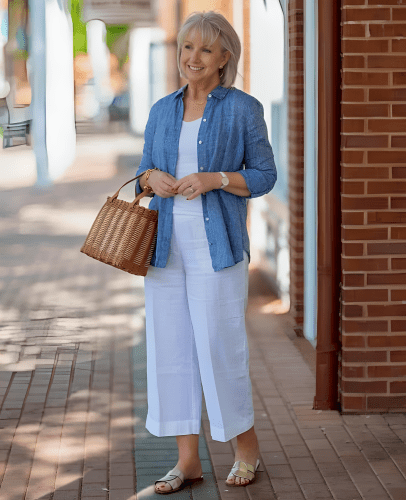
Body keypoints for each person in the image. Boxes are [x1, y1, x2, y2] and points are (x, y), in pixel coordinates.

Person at [135, 10, 277, 495]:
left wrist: (215, 178)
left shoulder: (242, 109)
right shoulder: (161, 110)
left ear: (224, 58)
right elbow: (141, 176)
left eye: (204, 49)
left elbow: (263, 176)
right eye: (186, 47)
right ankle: (187, 462)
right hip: (166, 250)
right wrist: (150, 178)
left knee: (219, 349)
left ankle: (246, 448)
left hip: (217, 251)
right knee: (171, 352)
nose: (191, 58)